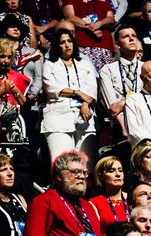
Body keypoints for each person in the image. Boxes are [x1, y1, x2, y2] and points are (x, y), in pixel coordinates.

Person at [40, 29, 98, 166]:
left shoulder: (85, 64)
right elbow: (52, 89)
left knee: (86, 166)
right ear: (56, 45)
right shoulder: (49, 65)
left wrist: (85, 104)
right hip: (58, 118)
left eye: (69, 41)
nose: (67, 45)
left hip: (85, 120)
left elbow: (92, 89)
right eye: (62, 42)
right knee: (63, 165)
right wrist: (77, 93)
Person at [97, 24, 142, 137]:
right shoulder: (107, 70)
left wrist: (123, 102)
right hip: (121, 127)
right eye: (126, 36)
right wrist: (124, 128)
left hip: (145, 122)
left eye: (134, 36)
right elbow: (112, 108)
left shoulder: (147, 67)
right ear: (117, 45)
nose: (131, 39)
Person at [89, 156, 129, 236]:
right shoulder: (94, 203)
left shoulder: (131, 198)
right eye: (111, 171)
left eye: (120, 170)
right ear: (101, 176)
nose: (118, 174)